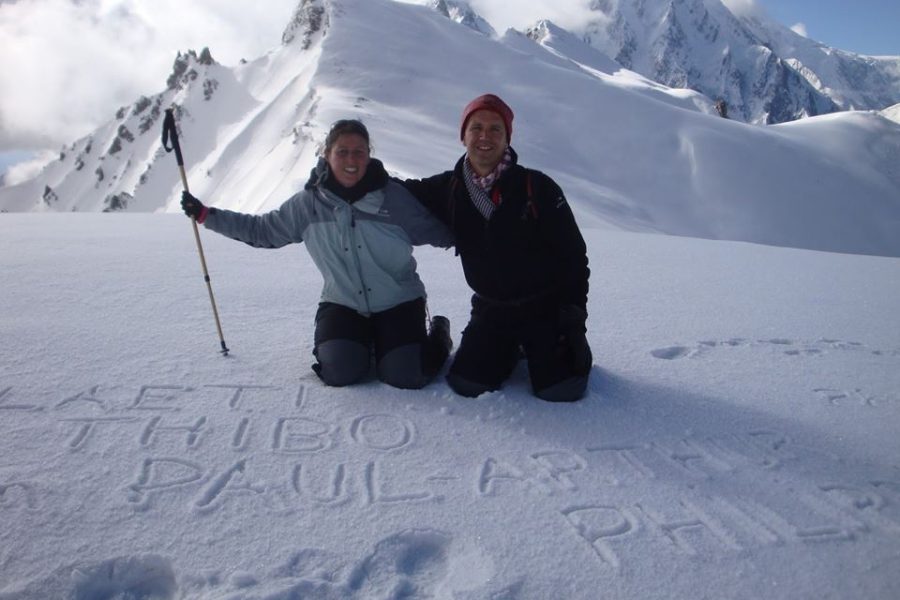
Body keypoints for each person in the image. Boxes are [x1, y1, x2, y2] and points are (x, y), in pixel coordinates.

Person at [181, 119, 454, 389]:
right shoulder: (309, 205)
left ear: (369, 156)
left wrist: (480, 235)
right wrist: (206, 215)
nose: (351, 159)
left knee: (405, 375)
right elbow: (261, 230)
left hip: (398, 300)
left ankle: (439, 332)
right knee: (339, 371)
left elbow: (440, 232)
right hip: (343, 301)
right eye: (342, 151)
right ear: (326, 154)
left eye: (359, 152)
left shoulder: (394, 199)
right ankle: (369, 343)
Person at [399, 94, 592, 402]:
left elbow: (573, 257)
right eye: (476, 128)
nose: (484, 137)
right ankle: (509, 348)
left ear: (507, 138)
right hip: (492, 309)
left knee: (561, 389)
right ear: (463, 136)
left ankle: (540, 347)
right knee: (467, 384)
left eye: (495, 129)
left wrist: (574, 320)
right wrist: (357, 174)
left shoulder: (537, 188)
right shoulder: (449, 188)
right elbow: (402, 192)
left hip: (545, 308)